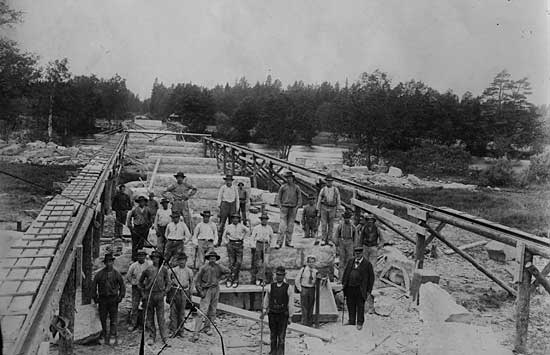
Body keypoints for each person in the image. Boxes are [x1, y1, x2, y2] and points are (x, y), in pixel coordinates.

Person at [192, 250, 231, 342]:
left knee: (212, 310)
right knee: (202, 311)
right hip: (206, 290)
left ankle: (207, 328)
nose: (212, 259)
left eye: (214, 258)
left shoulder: (219, 267)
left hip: (216, 289)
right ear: (208, 259)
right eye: (211, 258)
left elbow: (228, 271)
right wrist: (200, 291)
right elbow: (197, 281)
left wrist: (221, 279)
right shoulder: (204, 268)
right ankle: (196, 332)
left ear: (216, 259)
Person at [92, 253, 125, 346]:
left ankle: (112, 335)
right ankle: (103, 335)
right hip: (103, 299)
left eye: (110, 262)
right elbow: (94, 286)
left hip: (113, 299)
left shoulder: (117, 274)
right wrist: (95, 297)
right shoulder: (99, 274)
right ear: (105, 263)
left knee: (113, 318)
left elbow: (122, 286)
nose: (109, 264)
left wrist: (120, 297)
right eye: (107, 262)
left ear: (113, 262)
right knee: (102, 318)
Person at [139, 250, 170, 346]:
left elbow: (168, 282)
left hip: (160, 296)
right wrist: (143, 293)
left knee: (161, 318)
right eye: (154, 258)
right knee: (149, 317)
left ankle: (165, 338)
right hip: (149, 295)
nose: (156, 259)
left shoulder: (163, 269)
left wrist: (165, 292)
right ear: (152, 259)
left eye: (157, 258)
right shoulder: (148, 270)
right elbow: (140, 283)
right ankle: (152, 336)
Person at [261, 266, 294, 355]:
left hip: (283, 315)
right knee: (273, 334)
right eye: (278, 275)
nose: (279, 277)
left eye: (281, 275)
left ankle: (280, 352)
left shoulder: (288, 288)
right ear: (275, 275)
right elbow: (266, 300)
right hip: (272, 314)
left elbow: (290, 303)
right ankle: (273, 351)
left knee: (281, 336)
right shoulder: (270, 287)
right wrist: (264, 310)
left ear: (284, 276)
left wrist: (290, 316)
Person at [342, 247, 375, 330]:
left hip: (360, 289)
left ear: (362, 254)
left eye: (359, 253)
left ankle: (360, 322)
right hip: (350, 287)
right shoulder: (350, 261)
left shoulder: (367, 264)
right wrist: (344, 284)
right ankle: (351, 320)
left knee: (360, 306)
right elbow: (346, 273)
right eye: (356, 253)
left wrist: (368, 291)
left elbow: (371, 278)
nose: (358, 255)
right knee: (350, 304)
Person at [168, 252, 194, 337]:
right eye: (180, 260)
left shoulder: (189, 271)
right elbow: (168, 281)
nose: (181, 262)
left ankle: (181, 330)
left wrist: (190, 294)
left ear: (186, 261)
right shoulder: (173, 270)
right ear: (177, 261)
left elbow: (191, 282)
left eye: (183, 260)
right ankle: (173, 330)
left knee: (182, 312)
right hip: (174, 291)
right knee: (173, 312)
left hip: (184, 292)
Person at [126, 249, 152, 332]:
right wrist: (134, 283)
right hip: (136, 288)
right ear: (137, 257)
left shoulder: (148, 265)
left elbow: (151, 276)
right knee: (135, 306)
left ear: (145, 256)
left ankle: (145, 324)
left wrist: (147, 285)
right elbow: (128, 276)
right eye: (139, 255)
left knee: (146, 306)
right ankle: (133, 324)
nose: (141, 257)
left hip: (145, 288)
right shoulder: (133, 265)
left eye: (143, 255)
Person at [222, 214, 250, 288]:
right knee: (232, 263)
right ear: (231, 219)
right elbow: (223, 236)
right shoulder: (228, 227)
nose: (235, 220)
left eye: (237, 218)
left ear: (239, 219)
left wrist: (243, 238)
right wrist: (227, 243)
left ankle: (232, 278)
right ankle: (232, 280)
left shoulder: (241, 226)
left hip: (239, 244)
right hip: (231, 244)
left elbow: (248, 231)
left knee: (238, 262)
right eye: (234, 218)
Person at [276, 171, 302, 248]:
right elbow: (279, 198)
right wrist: (280, 206)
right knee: (282, 226)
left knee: (290, 226)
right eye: (287, 178)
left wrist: (297, 207)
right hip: (284, 207)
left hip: (293, 208)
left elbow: (300, 198)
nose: (289, 179)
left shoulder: (297, 188)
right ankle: (279, 242)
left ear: (293, 179)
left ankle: (288, 242)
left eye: (290, 178)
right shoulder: (283, 187)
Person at [316, 173, 341, 246]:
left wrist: (338, 209)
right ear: (326, 181)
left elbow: (338, 200)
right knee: (324, 224)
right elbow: (319, 199)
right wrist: (318, 209)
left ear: (332, 181)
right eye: (327, 181)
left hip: (332, 208)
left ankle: (329, 239)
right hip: (324, 207)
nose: (329, 182)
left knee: (331, 224)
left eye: (330, 181)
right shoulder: (323, 189)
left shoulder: (335, 190)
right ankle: (323, 239)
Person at [127, 195, 153, 261]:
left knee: (141, 244)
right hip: (136, 228)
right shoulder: (135, 209)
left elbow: (151, 218)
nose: (142, 203)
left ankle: (140, 258)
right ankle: (134, 258)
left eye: (143, 201)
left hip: (144, 228)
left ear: (145, 202)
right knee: (135, 243)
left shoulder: (147, 209)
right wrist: (130, 227)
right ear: (138, 202)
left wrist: (149, 225)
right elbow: (129, 218)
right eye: (140, 202)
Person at [333, 211, 358, 281]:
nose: (347, 220)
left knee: (350, 261)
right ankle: (341, 278)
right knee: (341, 261)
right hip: (342, 242)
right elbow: (336, 235)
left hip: (350, 242)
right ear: (343, 218)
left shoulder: (353, 227)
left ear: (350, 218)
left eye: (348, 218)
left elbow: (356, 237)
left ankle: (349, 277)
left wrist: (354, 247)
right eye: (345, 218)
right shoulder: (340, 226)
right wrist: (336, 244)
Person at [251, 213, 274, 285]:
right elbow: (252, 237)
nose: (264, 221)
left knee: (266, 262)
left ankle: (263, 279)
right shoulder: (256, 228)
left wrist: (270, 244)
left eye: (266, 220)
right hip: (259, 244)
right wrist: (253, 245)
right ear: (261, 220)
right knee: (258, 262)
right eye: (263, 220)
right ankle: (258, 279)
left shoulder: (269, 228)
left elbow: (272, 237)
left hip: (266, 244)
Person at [295, 255, 318, 327]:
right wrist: (300, 289)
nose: (311, 264)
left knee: (311, 306)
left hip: (312, 289)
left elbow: (317, 281)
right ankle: (304, 322)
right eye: (310, 262)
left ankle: (309, 322)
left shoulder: (315, 271)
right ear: (307, 263)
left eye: (313, 262)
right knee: (304, 306)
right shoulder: (303, 270)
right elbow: (297, 280)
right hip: (304, 288)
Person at [216, 175, 239, 246]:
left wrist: (237, 207)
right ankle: (219, 241)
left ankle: (230, 241)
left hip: (232, 205)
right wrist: (219, 206)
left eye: (230, 180)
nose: (228, 182)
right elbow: (219, 197)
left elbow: (237, 198)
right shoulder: (223, 188)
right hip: (224, 205)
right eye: (227, 180)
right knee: (222, 223)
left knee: (232, 224)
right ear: (225, 181)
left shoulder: (234, 188)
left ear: (232, 181)